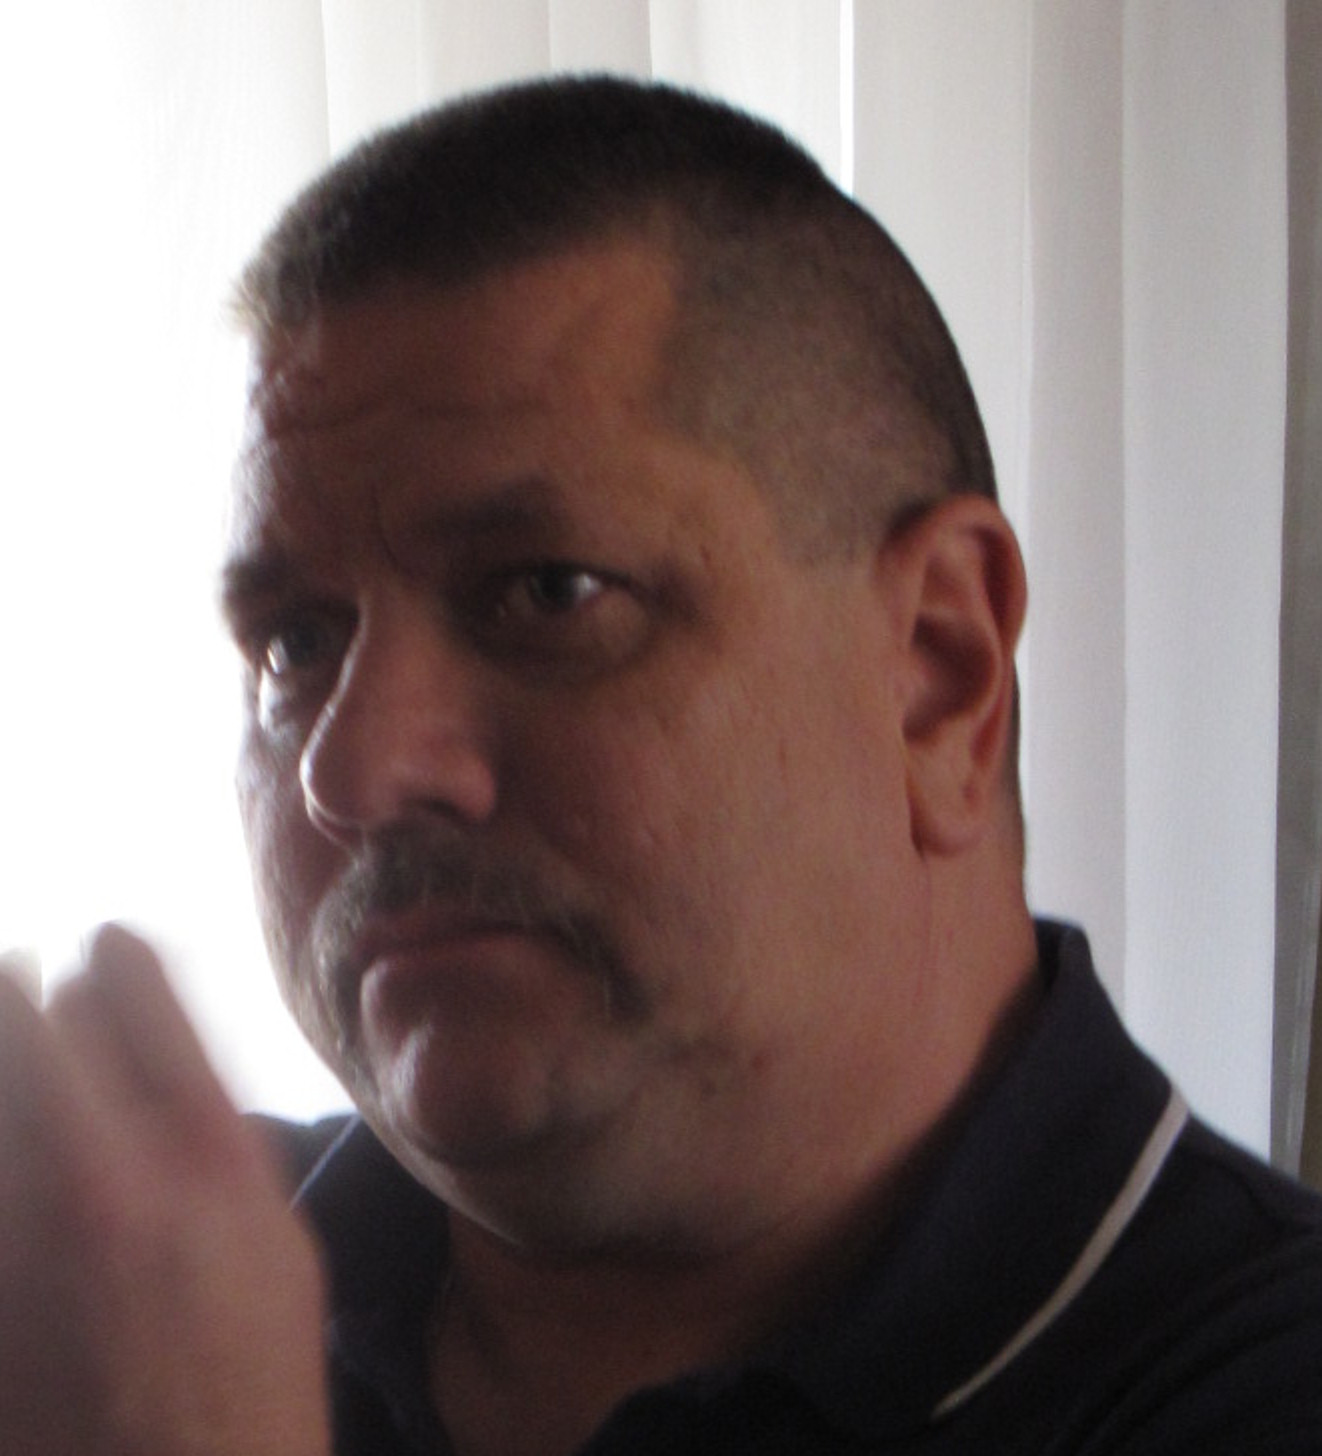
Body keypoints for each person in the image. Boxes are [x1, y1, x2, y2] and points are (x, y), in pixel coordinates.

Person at [1, 75, 1319, 1456]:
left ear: (940, 670)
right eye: (294, 644)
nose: (356, 767)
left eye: (547, 592)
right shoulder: (108, 1297)